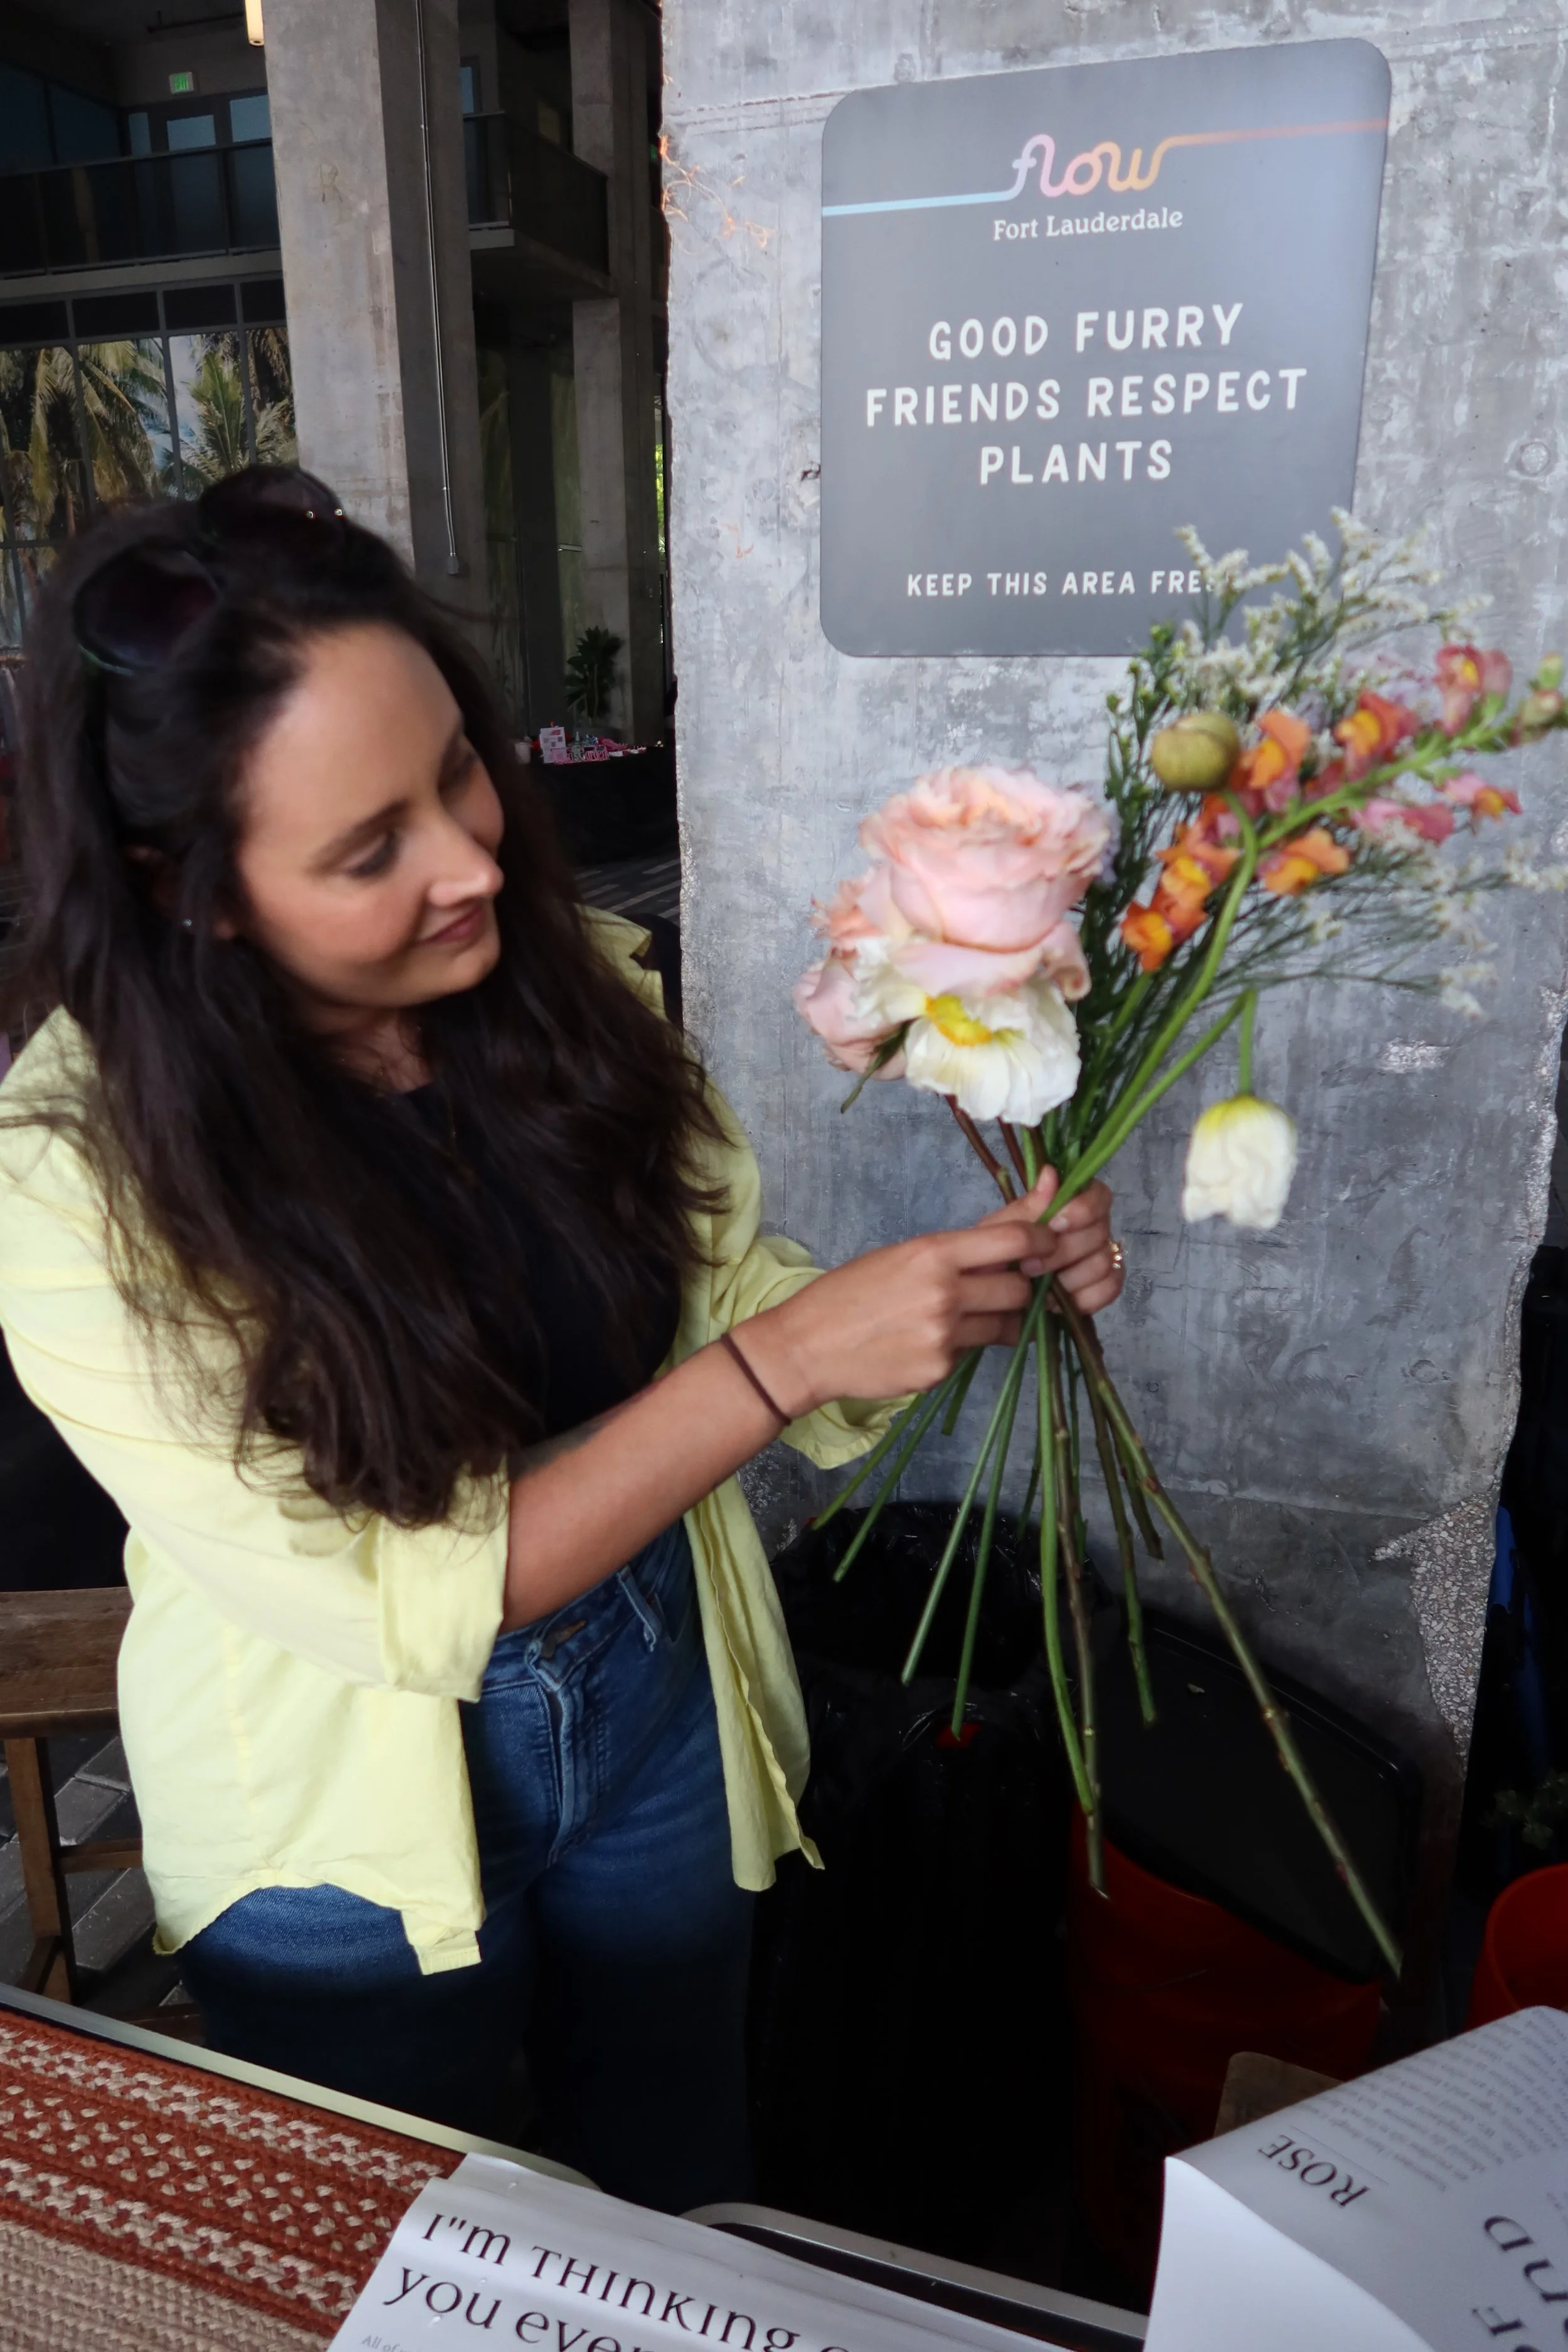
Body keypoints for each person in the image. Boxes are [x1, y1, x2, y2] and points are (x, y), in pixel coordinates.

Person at [0, 470, 1124, 2212]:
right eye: (369, 848)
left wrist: (945, 1295)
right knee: (387, 2252)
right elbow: (402, 1597)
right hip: (338, 1807)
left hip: (655, 1684)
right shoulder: (81, 1183)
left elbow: (714, 1292)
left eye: (457, 766)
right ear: (189, 889)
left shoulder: (563, 982)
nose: (473, 855)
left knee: (680, 2184)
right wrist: (784, 1364)